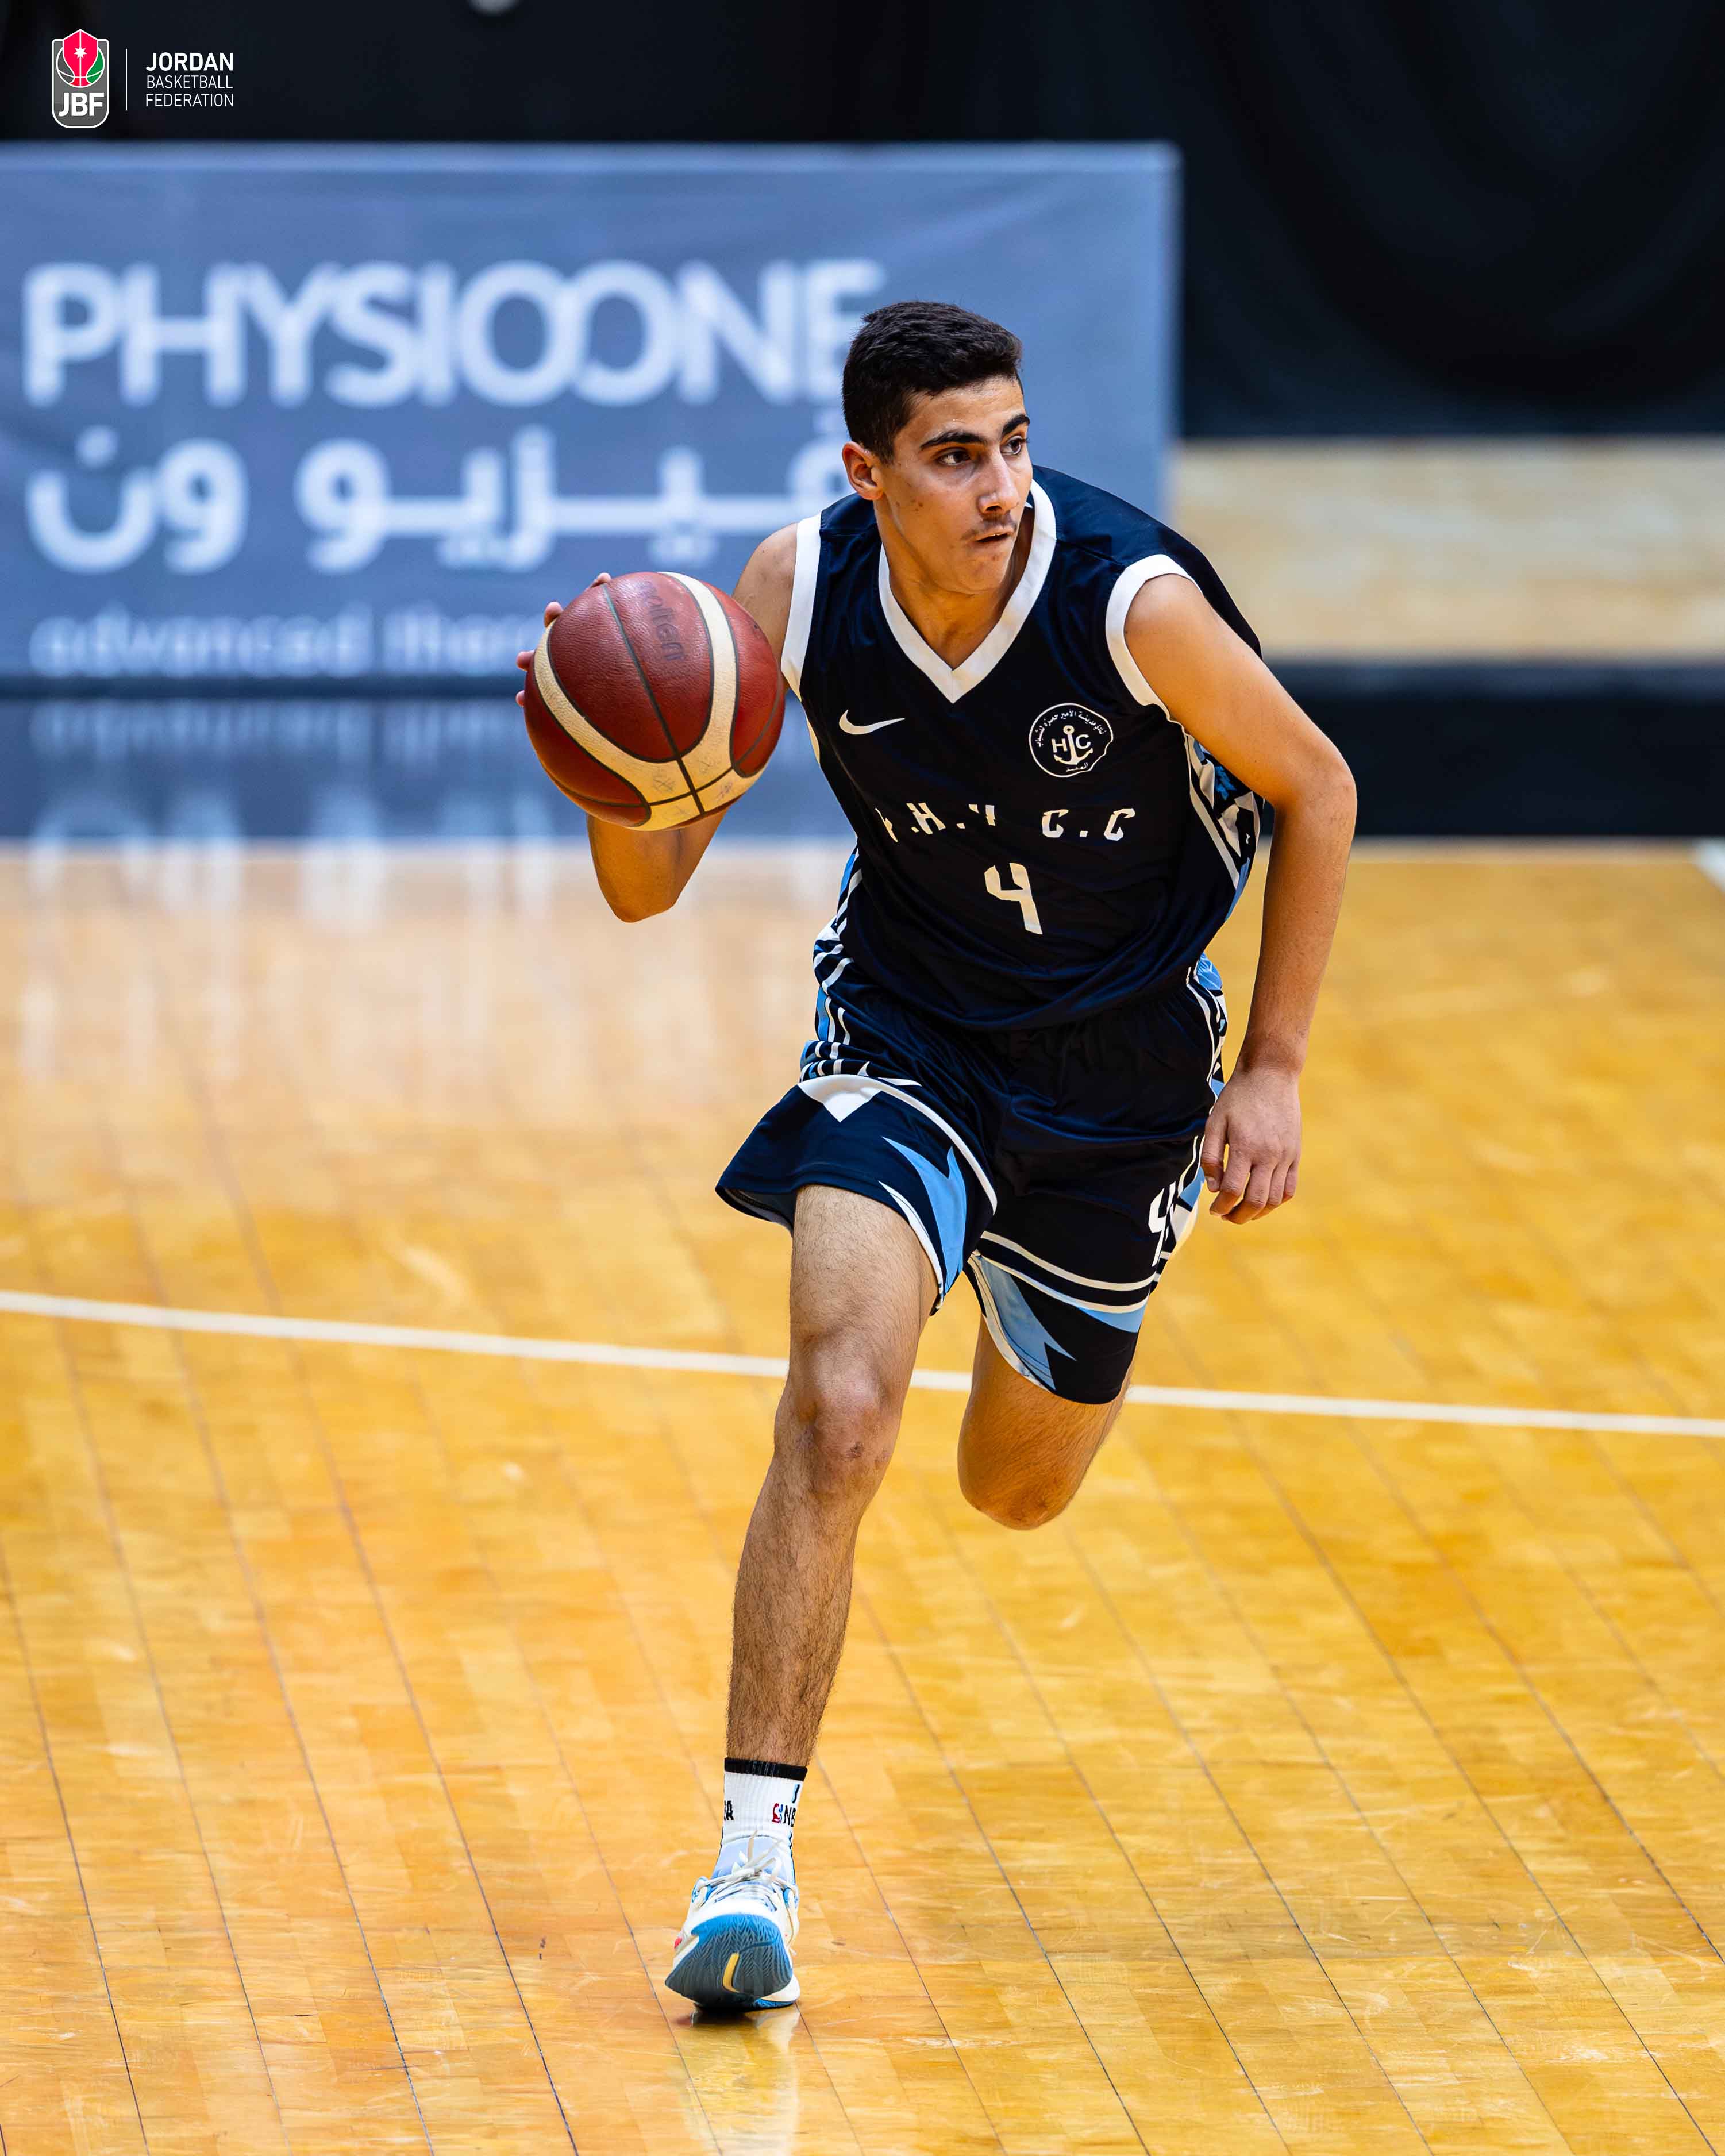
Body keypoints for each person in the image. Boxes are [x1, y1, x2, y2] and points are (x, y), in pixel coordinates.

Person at [514, 300, 1356, 2013]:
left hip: (1122, 1073)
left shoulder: (1129, 602)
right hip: (907, 1033)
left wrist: (1270, 1071)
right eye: (956, 455)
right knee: (839, 1408)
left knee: (1013, 1491)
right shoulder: (797, 588)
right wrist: (610, 755)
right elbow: (643, 890)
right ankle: (750, 1871)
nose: (999, 486)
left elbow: (1318, 787)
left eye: (1014, 444)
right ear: (868, 474)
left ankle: (1029, 1283)